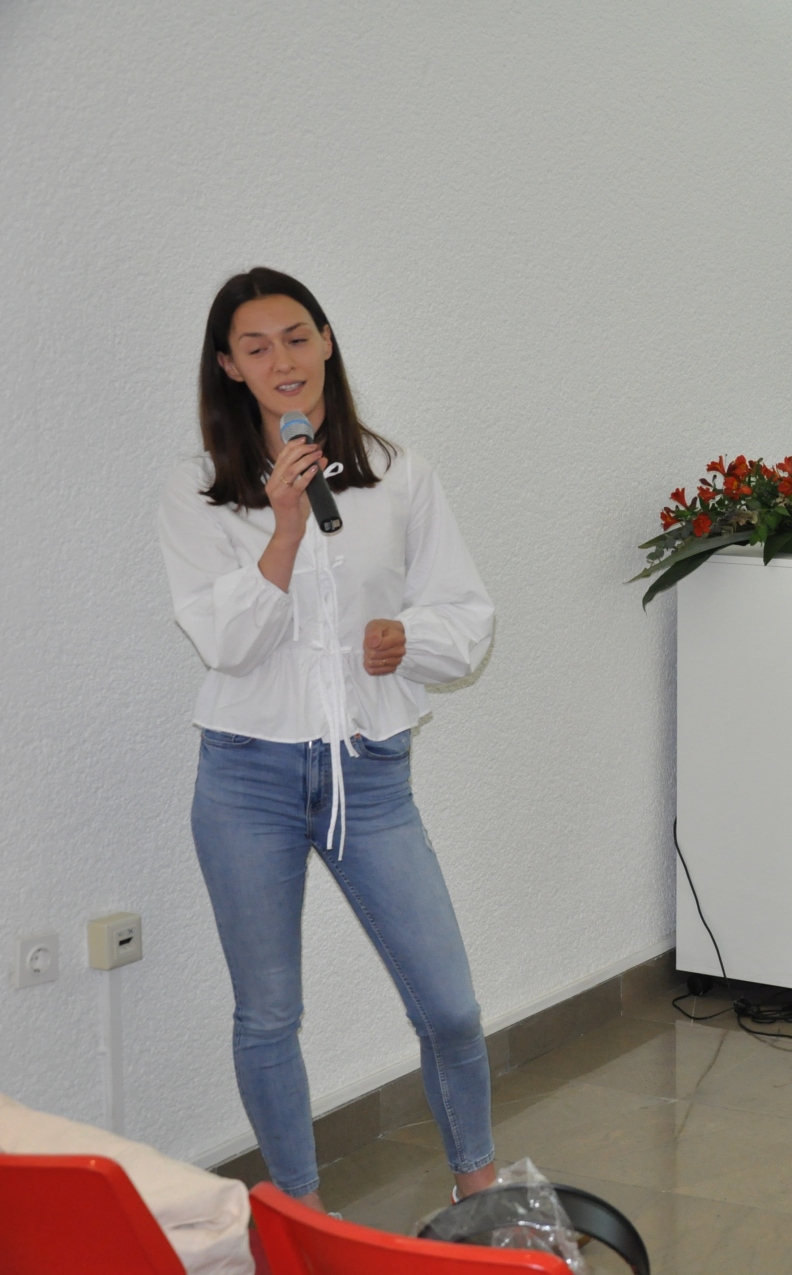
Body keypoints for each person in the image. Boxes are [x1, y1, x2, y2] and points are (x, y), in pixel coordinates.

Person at [157, 269, 497, 1213]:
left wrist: (408, 638)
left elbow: (466, 615)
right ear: (229, 366)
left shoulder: (396, 473)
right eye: (256, 346)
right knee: (269, 1014)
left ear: (327, 342)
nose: (282, 360)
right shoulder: (196, 492)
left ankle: (480, 1198)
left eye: (297, 337)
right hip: (246, 777)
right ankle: (300, 1218)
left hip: (369, 772)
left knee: (451, 1005)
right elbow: (225, 643)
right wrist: (284, 528)